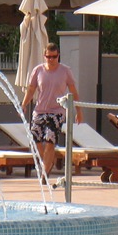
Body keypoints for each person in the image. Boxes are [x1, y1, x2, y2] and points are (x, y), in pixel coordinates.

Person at [20, 42, 82, 180]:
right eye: (48, 57)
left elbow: (73, 92)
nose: (51, 60)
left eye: (54, 57)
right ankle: (47, 162)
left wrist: (79, 111)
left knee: (49, 140)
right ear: (44, 56)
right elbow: (31, 89)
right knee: (35, 140)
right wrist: (23, 104)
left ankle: (44, 172)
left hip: (57, 112)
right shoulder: (38, 70)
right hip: (39, 111)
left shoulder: (65, 71)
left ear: (58, 56)